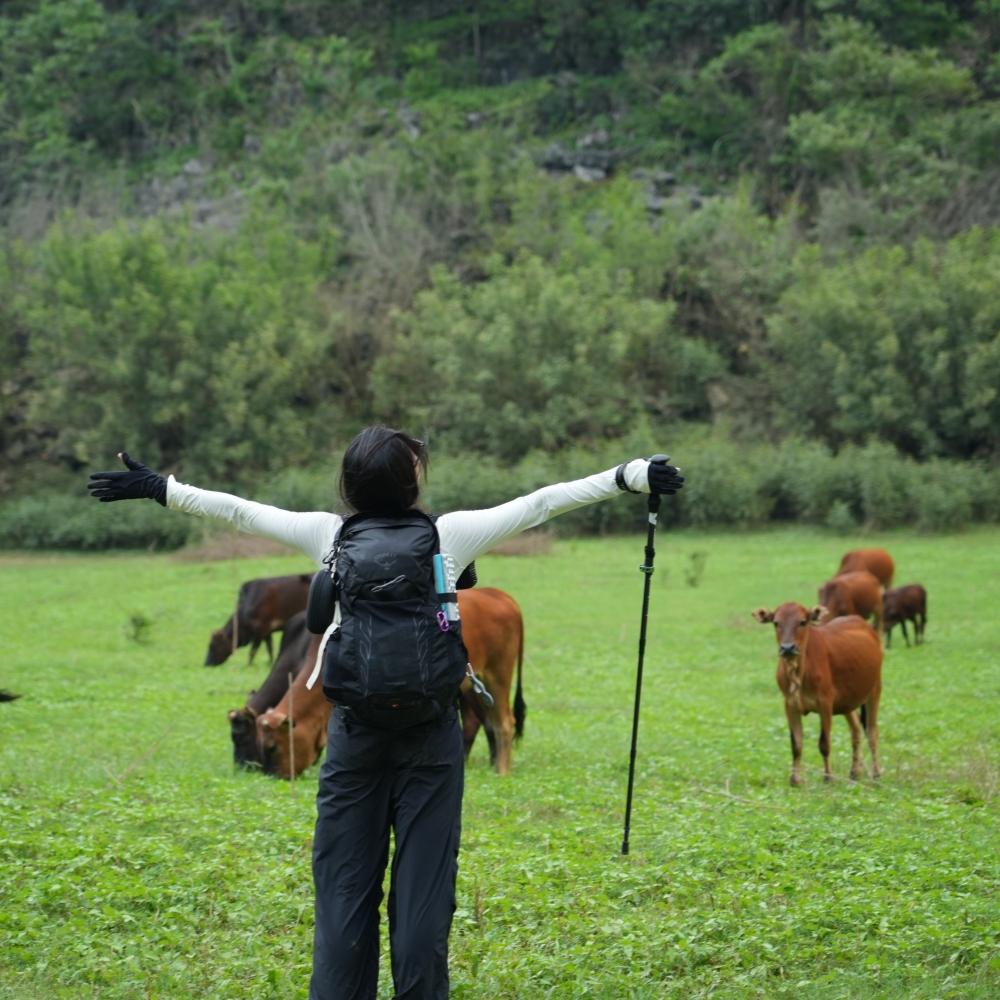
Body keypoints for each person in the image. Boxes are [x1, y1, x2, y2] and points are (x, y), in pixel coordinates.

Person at [87, 428, 684, 1000]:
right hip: (431, 740)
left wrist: (158, 487)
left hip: (354, 737)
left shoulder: (329, 536)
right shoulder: (450, 535)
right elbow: (543, 502)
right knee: (423, 900)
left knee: (344, 892)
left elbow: (240, 511)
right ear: (413, 482)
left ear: (349, 486)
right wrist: (630, 475)